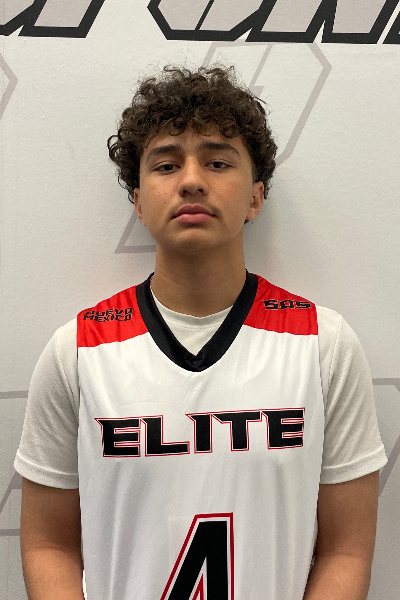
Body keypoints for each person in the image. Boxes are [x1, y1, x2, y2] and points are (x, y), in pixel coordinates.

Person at [15, 65, 387, 600]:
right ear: (139, 202)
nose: (191, 180)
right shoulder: (77, 351)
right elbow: (48, 544)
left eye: (217, 162)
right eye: (166, 164)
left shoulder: (323, 345)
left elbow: (345, 551)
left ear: (255, 197)